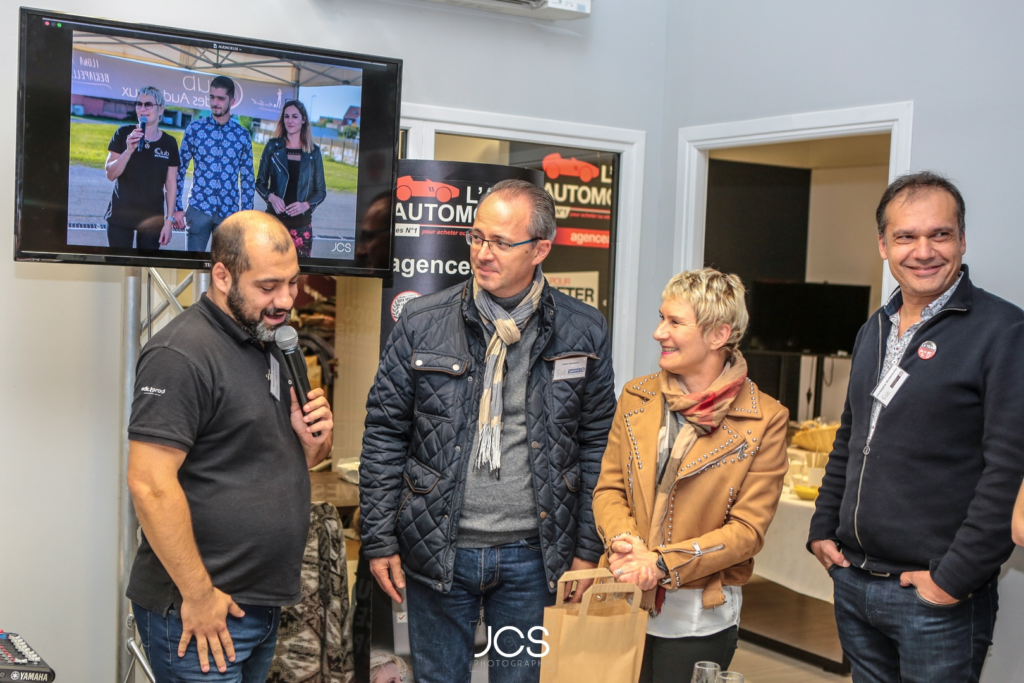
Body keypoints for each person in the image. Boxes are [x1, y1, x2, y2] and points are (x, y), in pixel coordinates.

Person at [359, 179, 617, 683]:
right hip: (437, 549)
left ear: (541, 248)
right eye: (476, 238)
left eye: (500, 242)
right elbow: (385, 432)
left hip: (535, 557)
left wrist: (589, 551)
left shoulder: (583, 330)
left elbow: (596, 446)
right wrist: (379, 539)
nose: (482, 253)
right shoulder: (422, 321)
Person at [808, 172, 1024, 683]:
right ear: (883, 244)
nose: (923, 251)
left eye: (940, 234)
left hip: (932, 596)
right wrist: (822, 526)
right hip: (855, 581)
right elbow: (850, 436)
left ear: (962, 239)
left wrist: (953, 579)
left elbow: (1008, 468)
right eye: (906, 236)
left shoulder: (1003, 332)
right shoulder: (874, 328)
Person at [126, 211, 334, 681]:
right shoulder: (180, 354)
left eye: (293, 283)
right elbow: (148, 484)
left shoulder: (271, 343)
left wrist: (311, 444)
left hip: (258, 606)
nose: (284, 300)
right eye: (268, 286)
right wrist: (199, 596)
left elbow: (265, 463)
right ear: (222, 275)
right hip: (201, 608)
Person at [593, 268, 789, 682]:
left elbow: (747, 531)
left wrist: (661, 563)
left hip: (700, 616)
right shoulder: (636, 395)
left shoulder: (765, 418)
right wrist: (626, 547)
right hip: (623, 596)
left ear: (718, 335)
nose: (658, 332)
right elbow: (609, 489)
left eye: (674, 322)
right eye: (661, 317)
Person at [174, 75, 255, 252]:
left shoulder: (242, 135)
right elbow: (179, 170)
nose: (215, 103)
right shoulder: (195, 129)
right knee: (194, 269)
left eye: (220, 98)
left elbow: (248, 178)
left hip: (229, 214)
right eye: (212, 97)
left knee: (223, 273)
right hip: (198, 208)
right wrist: (176, 207)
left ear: (232, 101)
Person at [104, 86, 179, 250]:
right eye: (139, 104)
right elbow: (110, 174)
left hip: (152, 219)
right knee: (119, 268)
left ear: (161, 109)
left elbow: (171, 184)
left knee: (147, 270)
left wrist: (169, 221)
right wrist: (128, 150)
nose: (142, 109)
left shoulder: (169, 143)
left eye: (148, 105)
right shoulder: (123, 133)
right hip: (121, 216)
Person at [255, 99, 326, 257]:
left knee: (298, 276)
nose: (290, 120)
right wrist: (271, 197)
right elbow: (260, 183)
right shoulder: (272, 147)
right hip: (273, 224)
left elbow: (321, 191)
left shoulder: (314, 152)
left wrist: (305, 205)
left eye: (294, 116)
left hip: (301, 226)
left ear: (303, 120)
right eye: (286, 116)